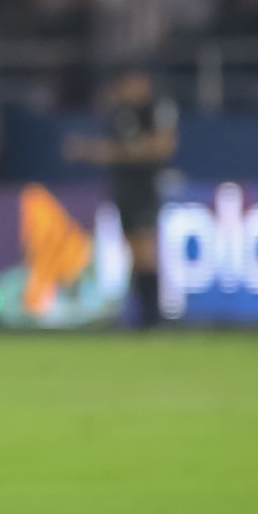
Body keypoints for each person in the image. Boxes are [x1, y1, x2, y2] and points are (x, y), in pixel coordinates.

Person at [64, 71, 177, 327]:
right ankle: (143, 315)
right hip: (123, 187)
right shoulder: (119, 115)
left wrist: (116, 152)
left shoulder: (157, 108)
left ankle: (153, 316)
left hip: (145, 186)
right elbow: (117, 149)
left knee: (145, 249)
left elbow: (161, 147)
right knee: (133, 250)